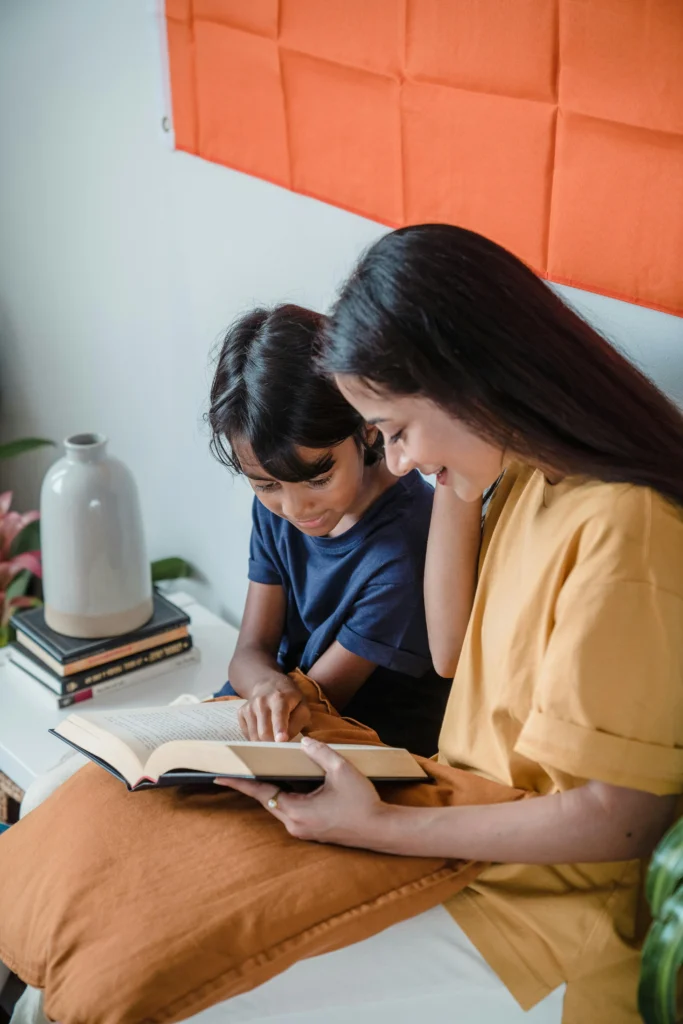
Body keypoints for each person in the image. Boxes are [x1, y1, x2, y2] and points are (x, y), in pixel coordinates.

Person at [216, 226, 683, 1022]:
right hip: (456, 850)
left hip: (538, 919)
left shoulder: (623, 530)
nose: (393, 462)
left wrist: (381, 827)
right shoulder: (528, 477)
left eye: (395, 431)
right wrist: (458, 479)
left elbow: (621, 821)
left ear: (470, 382)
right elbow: (447, 651)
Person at [208, 303, 452, 756]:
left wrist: (269, 695)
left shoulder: (404, 551)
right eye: (265, 484)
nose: (296, 507)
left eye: (318, 478)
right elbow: (249, 652)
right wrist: (265, 688)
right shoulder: (278, 508)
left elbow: (319, 704)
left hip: (349, 740)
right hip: (280, 718)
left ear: (367, 428)